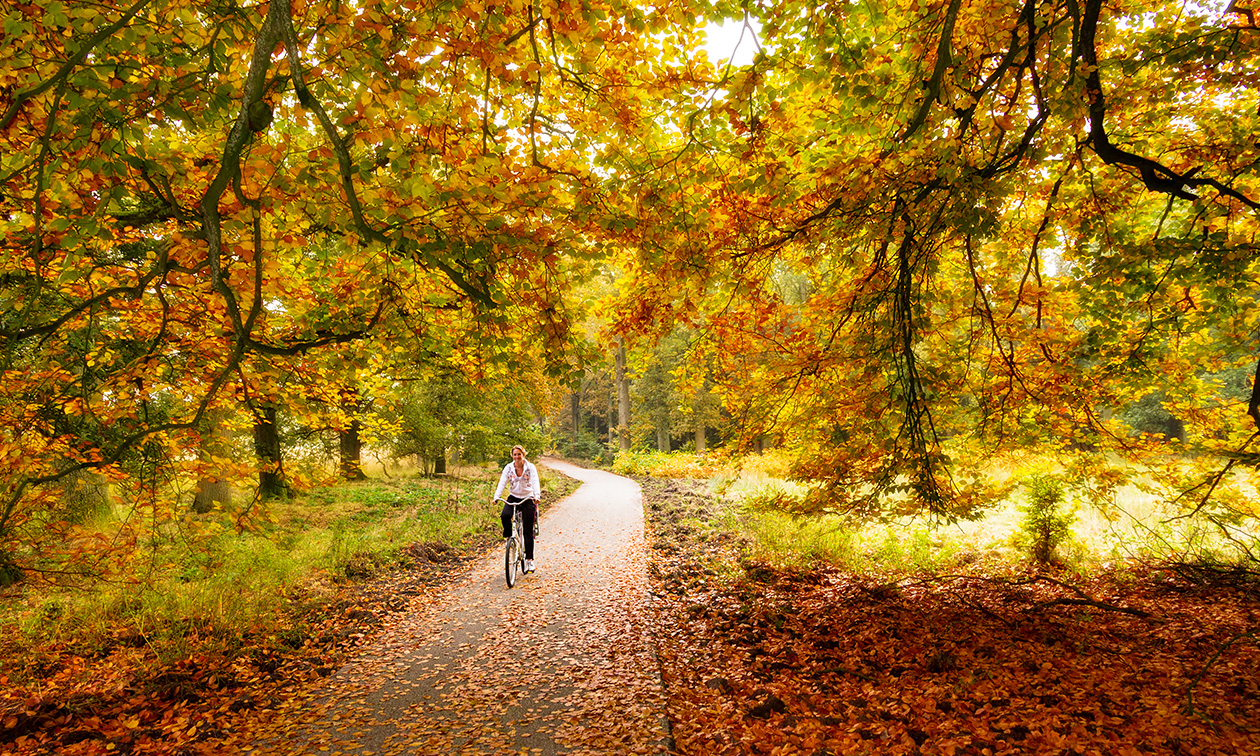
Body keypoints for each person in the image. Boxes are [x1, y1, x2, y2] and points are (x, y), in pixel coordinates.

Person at [493, 444, 541, 573]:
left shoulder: (530, 468)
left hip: (528, 498)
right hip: (513, 497)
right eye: (514, 454)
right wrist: (496, 497)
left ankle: (530, 560)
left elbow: (535, 481)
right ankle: (510, 538)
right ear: (512, 456)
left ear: (523, 455)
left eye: (519, 454)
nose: (517, 457)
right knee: (505, 516)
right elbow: (502, 482)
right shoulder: (508, 468)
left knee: (527, 530)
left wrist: (537, 496)